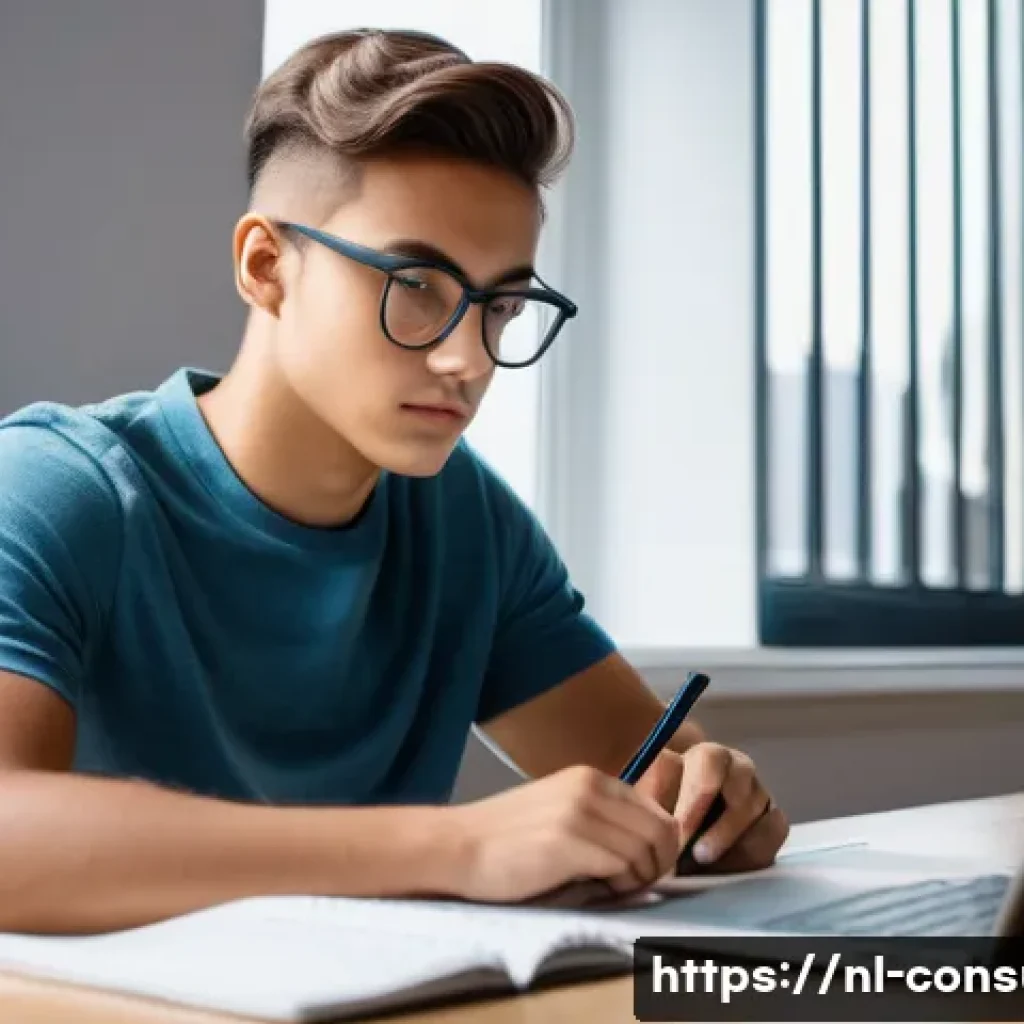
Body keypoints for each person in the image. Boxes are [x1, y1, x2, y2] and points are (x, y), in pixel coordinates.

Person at [0, 28, 787, 934]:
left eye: (501, 304)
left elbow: (657, 777)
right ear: (266, 268)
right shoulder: (56, 491)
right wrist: (453, 849)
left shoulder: (465, 521)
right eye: (416, 283)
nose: (466, 358)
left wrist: (715, 806)